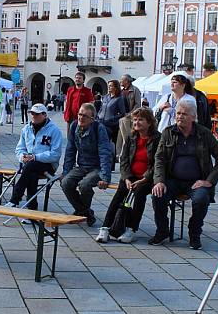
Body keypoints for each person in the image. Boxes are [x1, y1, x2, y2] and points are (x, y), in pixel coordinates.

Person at [150, 99, 218, 249]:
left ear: (193, 116)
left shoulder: (204, 134)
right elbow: (159, 158)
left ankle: (195, 233)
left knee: (201, 199)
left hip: (196, 182)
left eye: (184, 114)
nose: (179, 116)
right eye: (178, 113)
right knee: (157, 194)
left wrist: (209, 181)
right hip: (173, 180)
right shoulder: (168, 133)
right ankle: (162, 230)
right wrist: (159, 180)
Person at [97, 107, 160, 244]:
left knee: (140, 193)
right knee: (119, 194)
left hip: (148, 178)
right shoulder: (131, 137)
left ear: (149, 122)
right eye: (135, 119)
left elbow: (157, 163)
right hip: (130, 176)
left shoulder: (156, 138)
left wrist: (144, 179)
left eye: (140, 120)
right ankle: (105, 227)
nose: (136, 122)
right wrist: (125, 177)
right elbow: (124, 159)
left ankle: (131, 229)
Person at [62, 103, 114, 226]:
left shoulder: (98, 128)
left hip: (97, 168)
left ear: (92, 119)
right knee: (65, 183)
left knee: (84, 185)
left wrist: (106, 177)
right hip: (82, 166)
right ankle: (85, 212)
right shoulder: (75, 126)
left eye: (85, 116)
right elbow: (70, 151)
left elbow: (105, 153)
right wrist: (65, 172)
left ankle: (81, 212)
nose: (81, 118)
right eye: (80, 114)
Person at [6, 103, 63, 210]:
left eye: (37, 114)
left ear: (45, 115)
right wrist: (22, 157)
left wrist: (35, 157)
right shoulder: (26, 129)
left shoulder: (54, 130)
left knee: (30, 167)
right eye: (32, 113)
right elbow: (19, 148)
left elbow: (55, 154)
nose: (34, 116)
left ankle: (15, 199)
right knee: (31, 173)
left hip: (48, 165)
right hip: (29, 164)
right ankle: (31, 210)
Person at [98, 80, 128, 170]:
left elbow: (122, 113)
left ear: (116, 87)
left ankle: (110, 165)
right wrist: (97, 117)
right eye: (109, 85)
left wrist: (113, 119)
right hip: (101, 122)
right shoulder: (105, 97)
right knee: (101, 144)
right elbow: (101, 108)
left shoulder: (119, 98)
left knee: (109, 145)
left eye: (111, 86)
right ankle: (101, 162)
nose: (109, 87)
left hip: (111, 125)